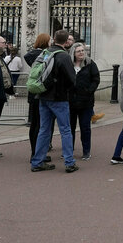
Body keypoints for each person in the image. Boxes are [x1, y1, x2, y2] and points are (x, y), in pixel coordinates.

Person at [30, 30, 77, 172]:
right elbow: (71, 79)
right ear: (66, 41)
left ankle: (37, 161)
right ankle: (69, 162)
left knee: (44, 130)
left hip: (43, 95)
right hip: (59, 97)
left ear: (54, 39)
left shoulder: (45, 52)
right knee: (65, 130)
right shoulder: (63, 56)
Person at [69, 42, 99, 161]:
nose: (81, 53)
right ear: (74, 53)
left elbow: (96, 79)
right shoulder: (69, 64)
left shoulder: (90, 64)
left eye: (82, 50)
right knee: (69, 128)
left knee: (85, 127)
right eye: (78, 51)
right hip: (71, 101)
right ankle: (68, 150)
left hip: (86, 102)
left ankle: (86, 151)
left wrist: (89, 91)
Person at [24, 33, 50, 161]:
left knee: (35, 124)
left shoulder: (32, 54)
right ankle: (37, 153)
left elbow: (26, 56)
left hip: (32, 93)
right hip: (40, 92)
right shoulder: (43, 54)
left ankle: (35, 152)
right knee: (39, 125)